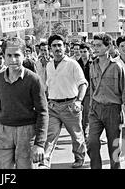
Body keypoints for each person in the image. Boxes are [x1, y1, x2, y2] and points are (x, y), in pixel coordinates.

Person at [0, 37, 48, 169]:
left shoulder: (33, 79)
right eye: (9, 55)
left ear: (24, 55)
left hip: (27, 132)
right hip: (4, 132)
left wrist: (39, 143)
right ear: (4, 56)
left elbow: (43, 112)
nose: (13, 60)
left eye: (17, 55)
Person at [88, 33, 125, 169]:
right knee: (91, 142)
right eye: (93, 45)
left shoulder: (117, 67)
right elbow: (92, 88)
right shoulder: (93, 65)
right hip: (95, 109)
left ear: (108, 47)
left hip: (113, 110)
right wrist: (90, 107)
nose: (95, 48)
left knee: (114, 146)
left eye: (98, 45)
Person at [41, 34, 88, 169]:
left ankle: (79, 158)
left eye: (59, 45)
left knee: (77, 135)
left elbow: (83, 84)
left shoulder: (72, 64)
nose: (57, 48)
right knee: (50, 136)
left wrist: (79, 101)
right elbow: (46, 86)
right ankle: (45, 160)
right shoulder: (49, 65)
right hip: (53, 106)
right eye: (54, 46)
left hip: (70, 105)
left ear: (65, 47)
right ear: (50, 48)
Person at [76, 42, 93, 143]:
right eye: (81, 52)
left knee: (87, 112)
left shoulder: (94, 62)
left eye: (85, 51)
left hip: (90, 91)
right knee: (78, 113)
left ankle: (85, 132)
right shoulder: (77, 63)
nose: (83, 54)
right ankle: (80, 132)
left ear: (89, 52)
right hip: (78, 90)